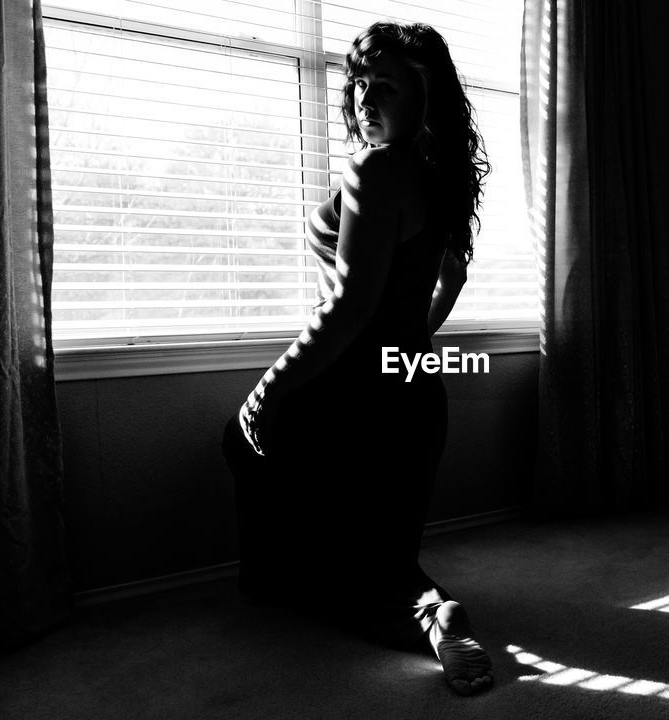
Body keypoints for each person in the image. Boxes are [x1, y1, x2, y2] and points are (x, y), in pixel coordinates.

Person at [221, 21, 493, 696]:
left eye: (388, 87)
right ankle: (432, 613)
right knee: (382, 558)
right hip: (414, 392)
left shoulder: (376, 168)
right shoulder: (440, 179)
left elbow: (347, 306)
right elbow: (450, 279)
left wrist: (272, 387)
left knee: (240, 441)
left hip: (353, 390)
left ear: (424, 98)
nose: (367, 98)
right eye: (360, 83)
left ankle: (283, 588)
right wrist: (412, 346)